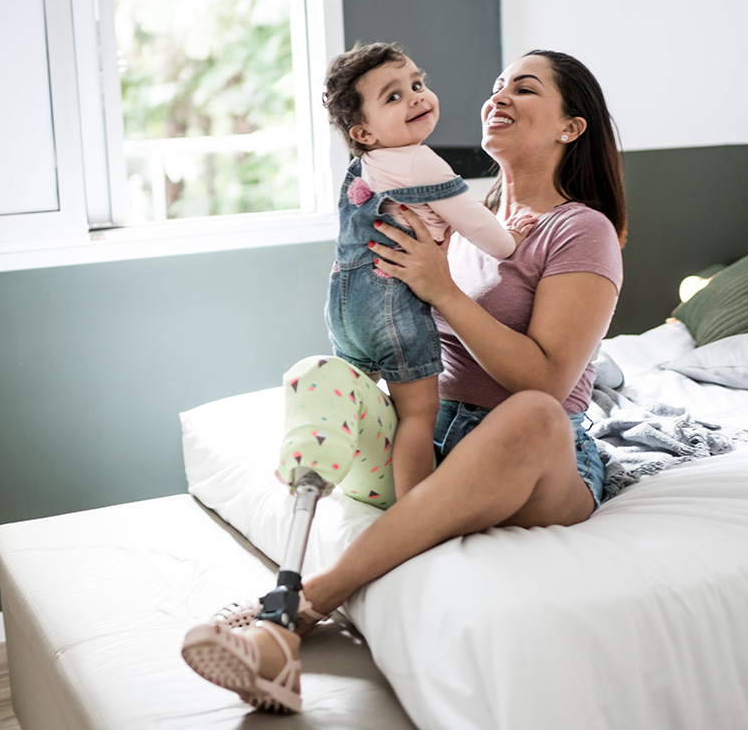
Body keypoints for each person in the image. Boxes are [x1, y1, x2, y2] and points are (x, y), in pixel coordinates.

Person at [181, 49, 627, 714]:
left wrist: (442, 288)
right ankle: (310, 530)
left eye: (524, 89)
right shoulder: (459, 213)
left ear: (571, 127)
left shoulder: (581, 230)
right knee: (318, 374)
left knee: (533, 412)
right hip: (436, 431)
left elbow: (547, 377)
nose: (498, 95)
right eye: (497, 83)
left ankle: (294, 612)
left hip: (534, 450)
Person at [314, 42, 533, 505]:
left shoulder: (364, 167)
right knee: (416, 413)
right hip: (391, 305)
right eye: (393, 97)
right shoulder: (420, 160)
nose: (416, 96)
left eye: (418, 83)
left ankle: (334, 470)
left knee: (361, 398)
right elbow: (479, 226)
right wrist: (511, 237)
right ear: (365, 132)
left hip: (344, 304)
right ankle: (414, 511)